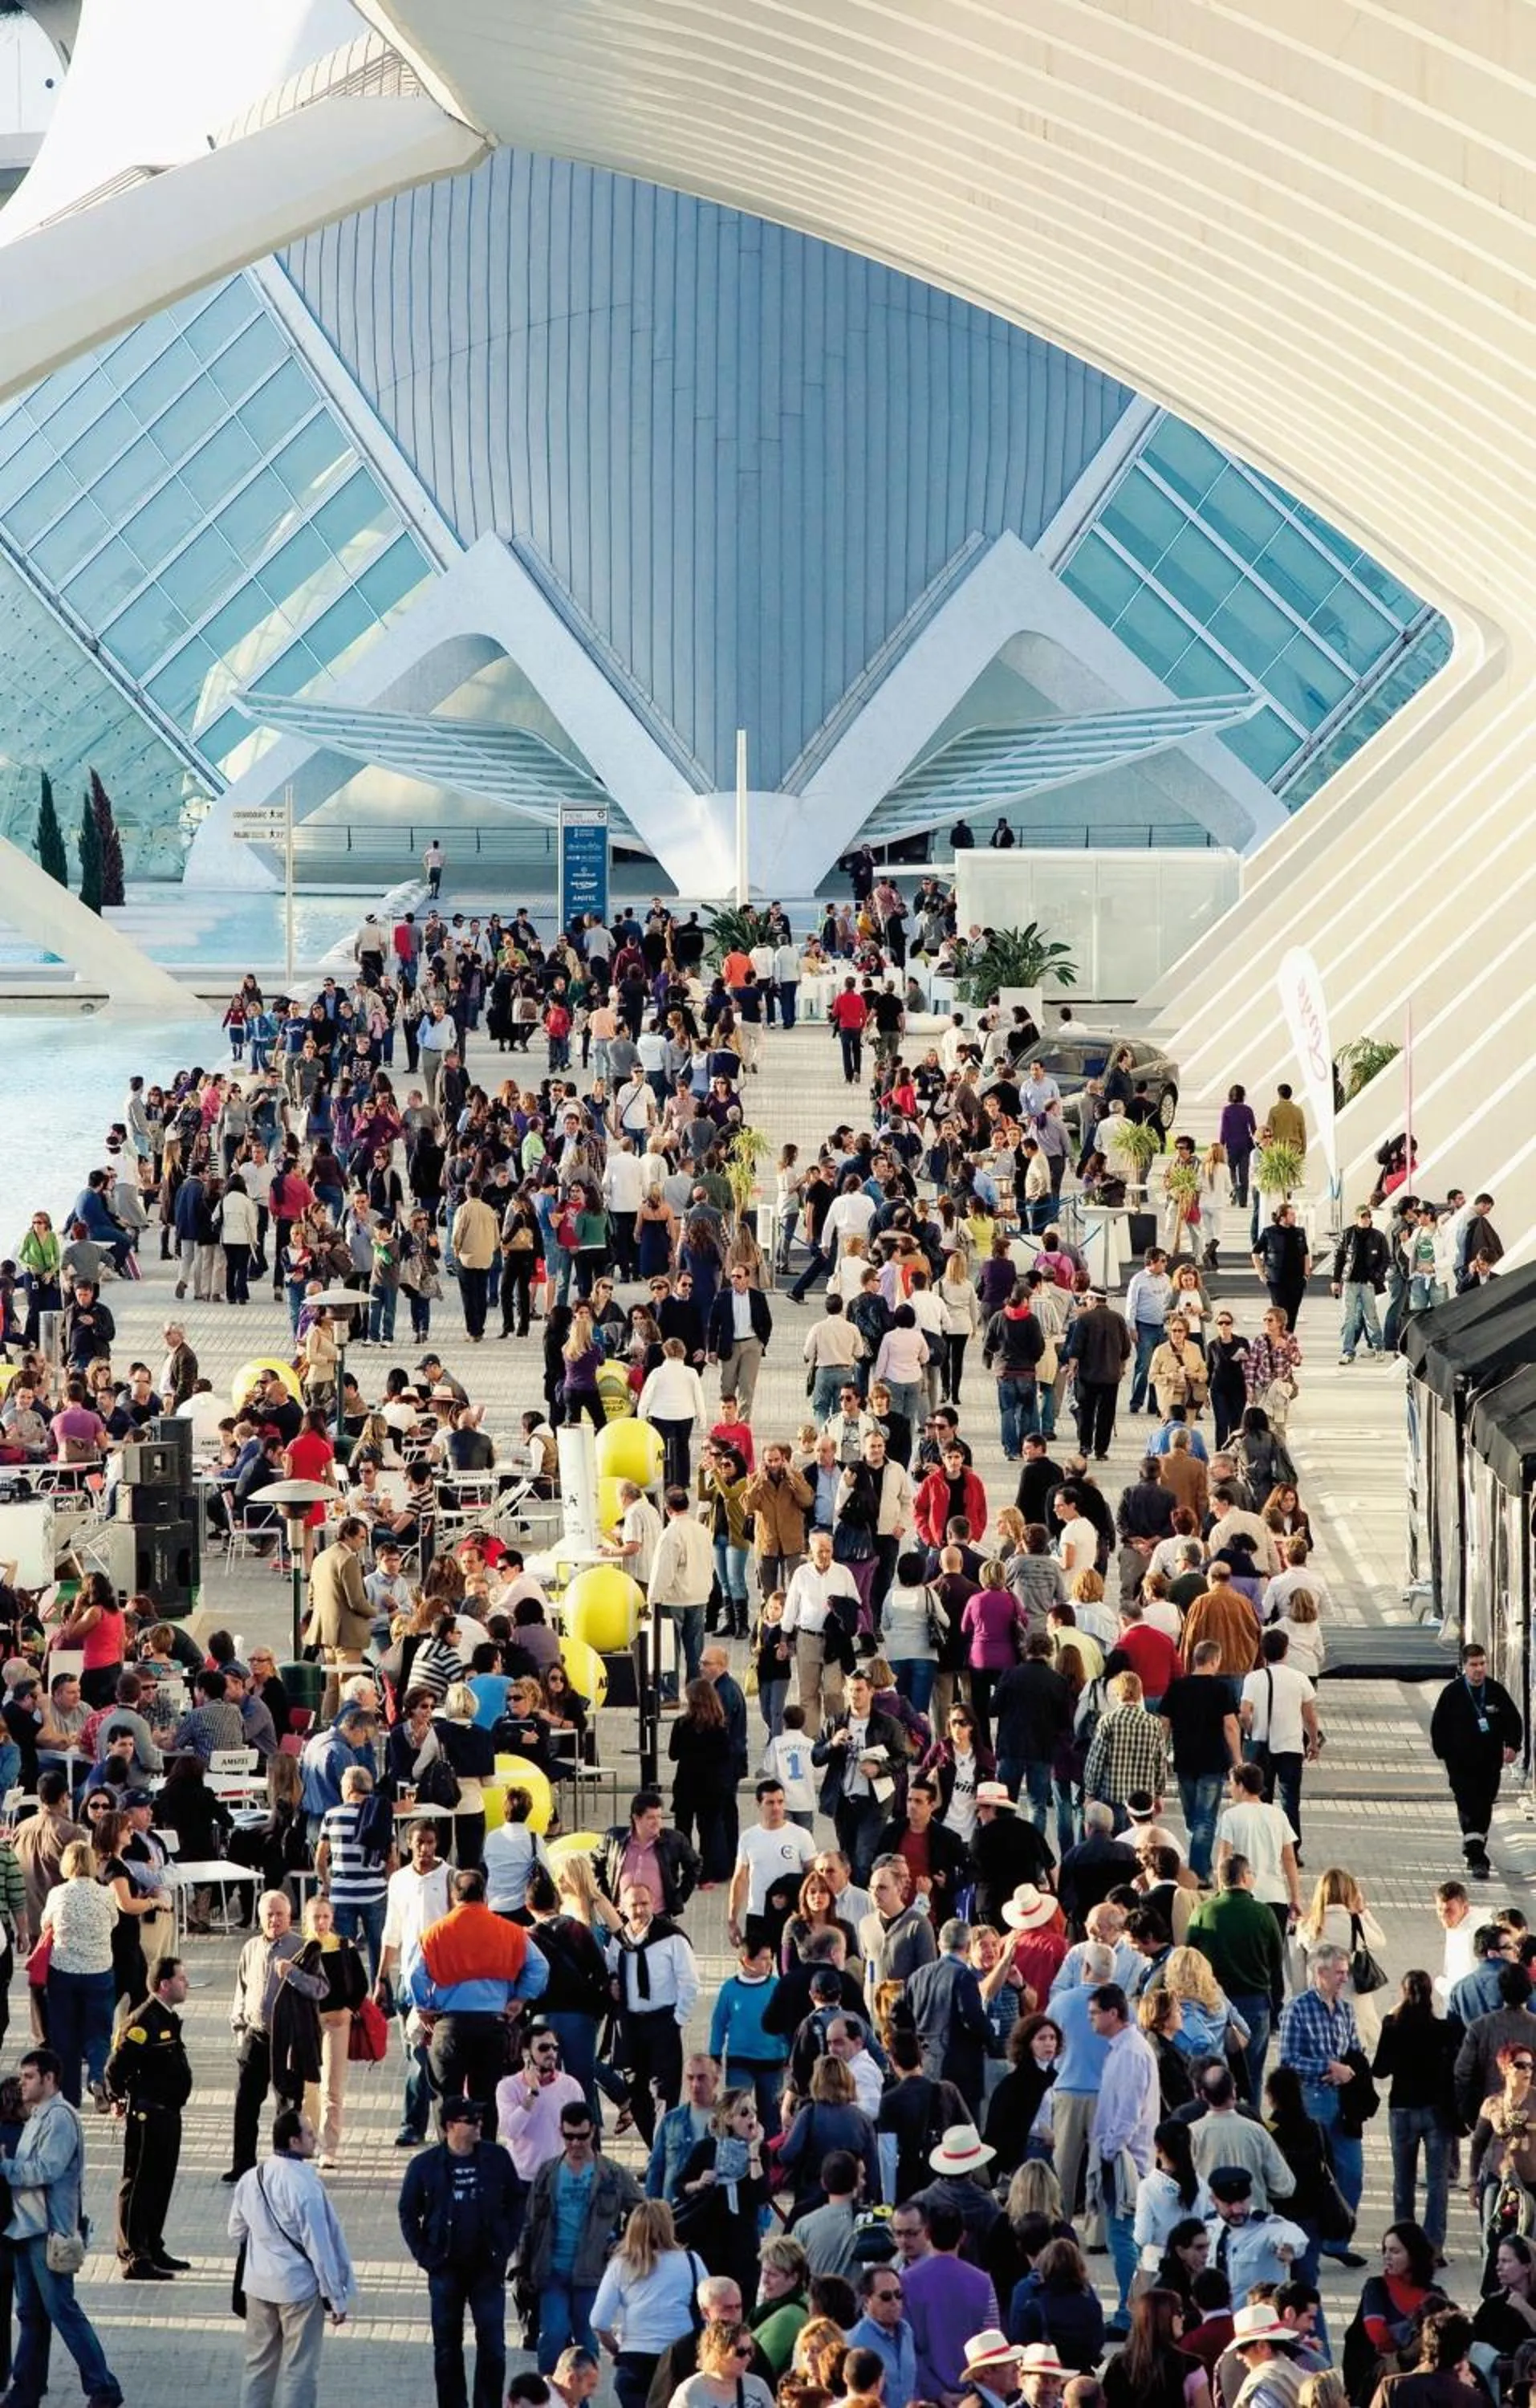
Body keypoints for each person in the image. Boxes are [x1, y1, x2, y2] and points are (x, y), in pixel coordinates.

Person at [6, 2045, 124, 2408]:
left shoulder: (59, 2118)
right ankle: (26, 2388)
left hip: (48, 2233)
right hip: (25, 2230)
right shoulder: (38, 2115)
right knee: (31, 2314)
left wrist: (4, 2167)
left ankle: (103, 2387)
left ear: (49, 2079)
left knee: (63, 2312)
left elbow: (46, 2170)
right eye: (22, 2076)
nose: (22, 2084)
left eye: (29, 2077)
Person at [229, 2104, 356, 2408]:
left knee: (257, 2365)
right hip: (298, 2290)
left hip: (258, 2286)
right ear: (293, 2141)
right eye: (310, 2134)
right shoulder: (306, 2187)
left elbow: (236, 2230)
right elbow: (320, 2248)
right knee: (300, 2370)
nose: (315, 2139)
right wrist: (336, 2298)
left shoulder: (252, 2178)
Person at [399, 2094, 520, 2408]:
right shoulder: (424, 2166)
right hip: (446, 2268)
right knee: (447, 2349)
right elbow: (408, 2213)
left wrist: (505, 2244)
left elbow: (517, 2202)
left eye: (479, 2119)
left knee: (493, 2347)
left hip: (487, 2267)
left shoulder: (497, 2158)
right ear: (450, 2126)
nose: (479, 2124)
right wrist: (426, 2256)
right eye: (471, 2121)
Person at [522, 2100, 644, 2372]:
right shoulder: (548, 2172)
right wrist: (524, 2268)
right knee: (553, 2335)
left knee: (587, 2340)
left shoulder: (612, 2174)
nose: (575, 2143)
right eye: (569, 2137)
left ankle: (583, 2393)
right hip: (552, 2271)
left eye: (582, 2136)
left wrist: (624, 2242)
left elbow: (643, 2212)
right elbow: (530, 2223)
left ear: (593, 2131)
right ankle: (549, 2392)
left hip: (593, 2273)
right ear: (560, 2132)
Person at [103, 1952, 192, 2282]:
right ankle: (134, 2255)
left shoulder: (166, 2017)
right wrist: (118, 2097)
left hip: (168, 2113)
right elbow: (116, 2067)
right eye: (181, 1978)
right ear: (164, 1985)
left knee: (161, 2183)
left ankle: (153, 2245)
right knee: (139, 2183)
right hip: (148, 2115)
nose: (186, 1983)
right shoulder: (143, 2021)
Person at [1371, 1970, 1460, 2260]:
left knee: (1403, 2179)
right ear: (1431, 1994)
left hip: (1402, 2108)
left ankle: (1403, 2243)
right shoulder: (1444, 2028)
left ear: (1403, 1992)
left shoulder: (1393, 2025)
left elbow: (1380, 2069)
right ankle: (1433, 2246)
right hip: (1436, 2110)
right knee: (1437, 2182)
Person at [1277, 1946, 1364, 2239]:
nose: (1345, 1979)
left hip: (1344, 2102)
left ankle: (1338, 2237)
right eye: (1339, 1973)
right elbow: (1288, 2060)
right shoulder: (1297, 2009)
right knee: (1313, 2173)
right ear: (1320, 1972)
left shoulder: (1346, 2010)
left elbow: (1355, 2052)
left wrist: (1349, 2071)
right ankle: (1312, 2236)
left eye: (1346, 1972)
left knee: (1352, 2172)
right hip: (1311, 2099)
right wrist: (1327, 2067)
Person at [1088, 1983, 1160, 2333]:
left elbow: (1128, 2112)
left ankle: (1130, 2313)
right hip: (1124, 2156)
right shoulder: (1123, 2048)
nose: (1090, 2019)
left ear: (1113, 2013)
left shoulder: (1131, 2052)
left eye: (1094, 2013)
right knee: (1125, 2239)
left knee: (1124, 2240)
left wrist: (1109, 2149)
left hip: (1126, 2161)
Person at [609, 1879, 700, 2145]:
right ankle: (656, 2148)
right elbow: (611, 1970)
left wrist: (677, 2020)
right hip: (631, 2025)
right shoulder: (619, 1941)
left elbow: (689, 1981)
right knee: (635, 2089)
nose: (640, 1910)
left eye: (645, 1903)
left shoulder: (671, 1937)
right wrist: (611, 1985)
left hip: (663, 2022)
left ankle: (665, 2151)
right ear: (622, 1908)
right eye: (634, 1905)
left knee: (664, 2092)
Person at [591, 2199, 706, 2408]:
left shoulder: (621, 2265)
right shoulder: (690, 2261)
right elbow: (710, 2306)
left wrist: (617, 2350)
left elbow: (599, 2321)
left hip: (635, 2357)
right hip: (679, 2354)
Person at [1429, 1642, 1523, 1881]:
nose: (1479, 1669)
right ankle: (1477, 1856)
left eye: (1482, 1664)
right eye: (1473, 1665)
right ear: (1464, 1666)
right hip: (1460, 1764)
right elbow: (1438, 1725)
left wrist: (1512, 1746)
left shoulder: (1495, 1692)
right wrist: (1444, 1752)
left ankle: (1475, 1845)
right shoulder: (1452, 1694)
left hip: (1489, 1763)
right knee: (1467, 1804)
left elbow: (1513, 1720)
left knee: (1483, 1805)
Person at [38, 1839, 116, 2110]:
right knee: (99, 2031)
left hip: (64, 1971)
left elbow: (45, 1923)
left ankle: (70, 2098)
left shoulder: (58, 1894)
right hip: (99, 1970)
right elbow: (114, 1922)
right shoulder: (105, 1894)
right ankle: (97, 2077)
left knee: (64, 2034)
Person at [1099, 2289, 1209, 2408]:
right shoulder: (1190, 2366)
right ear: (1165, 2318)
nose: (1183, 2318)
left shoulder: (1119, 2364)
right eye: (1179, 2312)